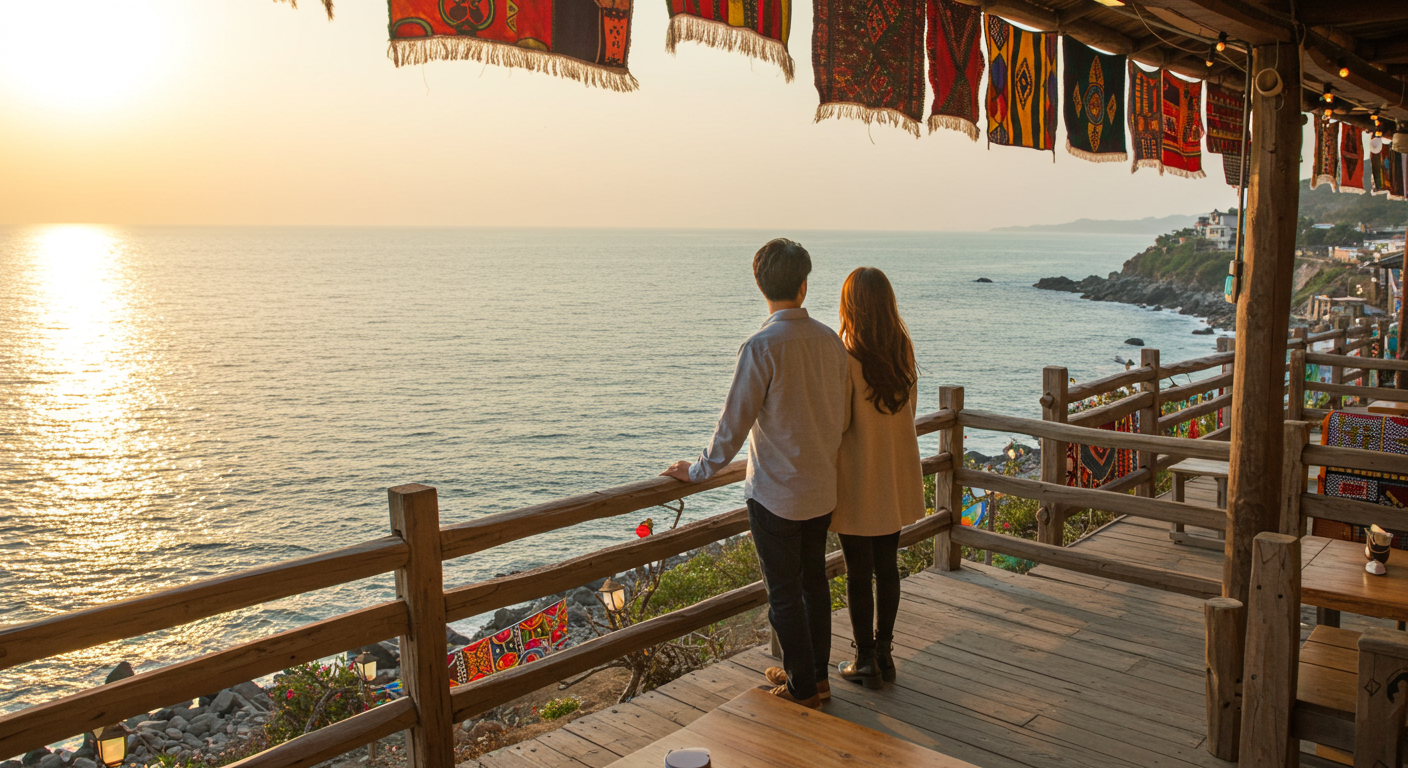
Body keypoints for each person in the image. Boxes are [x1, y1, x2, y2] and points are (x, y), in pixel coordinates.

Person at [661, 238, 848, 709]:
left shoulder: (761, 346)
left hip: (776, 493)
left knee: (784, 593)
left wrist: (698, 470)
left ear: (760, 286)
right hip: (822, 488)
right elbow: (842, 417)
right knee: (814, 585)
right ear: (804, 286)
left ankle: (802, 687)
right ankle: (814, 677)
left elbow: (733, 425)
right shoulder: (829, 341)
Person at [831, 266, 923, 689]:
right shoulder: (902, 352)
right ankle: (884, 652)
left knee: (856, 570)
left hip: (857, 475)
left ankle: (863, 656)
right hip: (894, 473)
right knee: (887, 565)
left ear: (851, 306)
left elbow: (840, 422)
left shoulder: (846, 357)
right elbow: (910, 414)